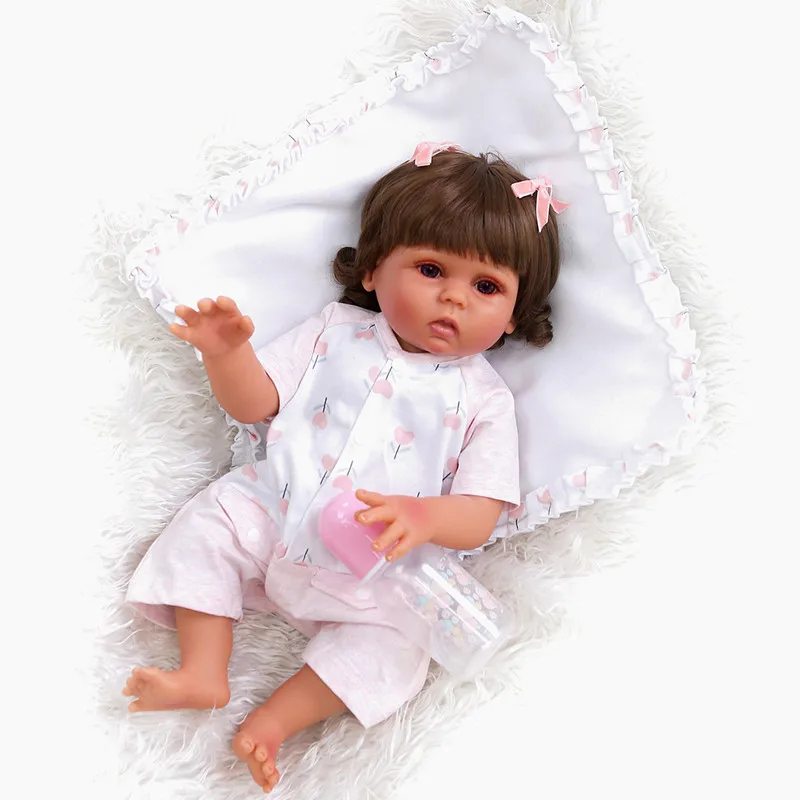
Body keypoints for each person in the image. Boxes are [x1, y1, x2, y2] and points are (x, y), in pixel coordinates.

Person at [122, 142, 565, 792]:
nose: (454, 299)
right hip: (274, 511)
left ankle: (275, 721)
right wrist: (227, 356)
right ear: (374, 269)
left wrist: (423, 517)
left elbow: (478, 515)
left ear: (512, 318)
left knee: (398, 648)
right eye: (431, 270)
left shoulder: (484, 399)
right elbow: (256, 404)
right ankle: (203, 670)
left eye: (487, 287)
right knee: (207, 524)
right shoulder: (333, 331)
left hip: (378, 573)